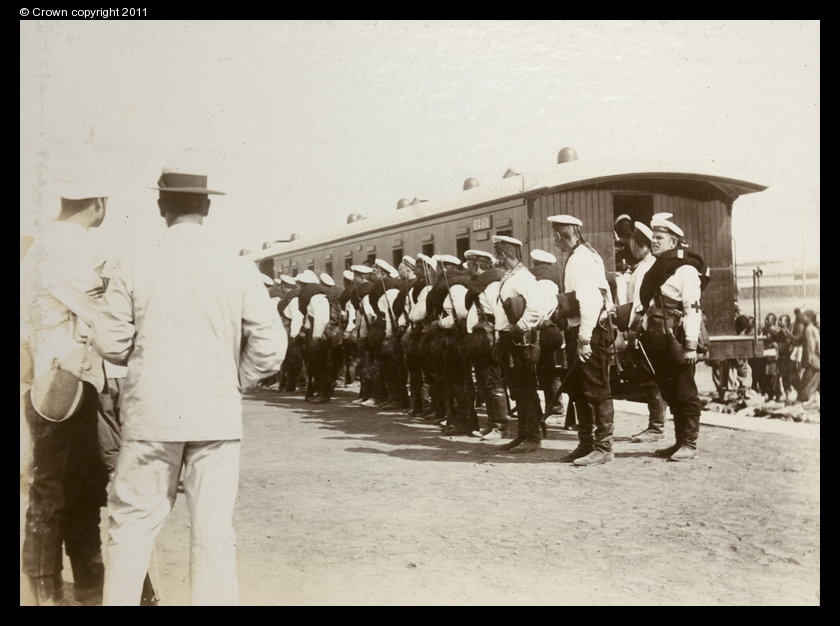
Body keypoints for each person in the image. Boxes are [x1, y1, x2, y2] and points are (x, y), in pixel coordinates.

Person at [93, 168, 286, 605]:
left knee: (132, 525)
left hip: (151, 415)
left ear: (161, 207)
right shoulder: (237, 267)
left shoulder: (134, 263)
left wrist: (143, 363)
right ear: (207, 207)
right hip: (216, 415)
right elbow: (271, 346)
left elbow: (109, 342)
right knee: (213, 532)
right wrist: (236, 380)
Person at [20, 180, 111, 605]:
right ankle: (53, 593)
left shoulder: (43, 243)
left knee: (72, 488)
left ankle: (73, 588)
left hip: (49, 375)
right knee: (59, 491)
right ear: (99, 203)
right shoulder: (68, 247)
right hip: (66, 379)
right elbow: (105, 314)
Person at [634, 216, 709, 461]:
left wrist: (690, 346)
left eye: (660, 238)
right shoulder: (660, 268)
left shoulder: (685, 270)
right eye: (653, 237)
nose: (654, 241)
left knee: (685, 391)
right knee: (670, 391)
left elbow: (693, 309)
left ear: (674, 242)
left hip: (677, 339)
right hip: (660, 340)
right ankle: (679, 442)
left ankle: (689, 443)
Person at [548, 215, 616, 466]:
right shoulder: (583, 254)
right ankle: (586, 444)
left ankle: (604, 448)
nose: (555, 242)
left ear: (559, 236)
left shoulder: (581, 259)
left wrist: (585, 339)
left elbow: (591, 301)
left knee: (596, 388)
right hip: (581, 330)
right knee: (578, 389)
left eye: (555, 237)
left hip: (589, 332)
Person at [493, 236, 556, 453]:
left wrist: (518, 328)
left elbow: (536, 309)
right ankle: (522, 434)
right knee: (517, 390)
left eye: (497, 255)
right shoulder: (511, 277)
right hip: (508, 339)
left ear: (504, 255)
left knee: (526, 388)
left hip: (519, 340)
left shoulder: (523, 278)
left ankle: (533, 437)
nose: (496, 260)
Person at [624, 222, 668, 443]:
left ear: (634, 244)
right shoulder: (654, 265)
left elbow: (638, 305)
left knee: (650, 377)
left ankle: (656, 427)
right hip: (656, 328)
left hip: (645, 329)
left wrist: (631, 332)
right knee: (656, 375)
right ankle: (658, 425)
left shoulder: (642, 270)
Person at [462, 249, 508, 440]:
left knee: (493, 382)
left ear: (477, 266)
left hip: (489, 339)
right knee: (484, 382)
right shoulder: (483, 284)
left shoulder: (491, 285)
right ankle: (491, 425)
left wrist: (497, 340)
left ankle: (500, 427)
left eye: (469, 266)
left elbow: (498, 314)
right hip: (481, 339)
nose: (467, 270)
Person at [295, 269, 334, 403]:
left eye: (301, 284)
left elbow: (320, 319)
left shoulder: (317, 297)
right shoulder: (311, 297)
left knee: (321, 364)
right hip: (313, 333)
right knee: (315, 364)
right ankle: (320, 392)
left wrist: (316, 337)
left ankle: (324, 394)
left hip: (319, 334)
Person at [796, 310, 820, 403]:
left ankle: (801, 400)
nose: (801, 317)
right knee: (815, 381)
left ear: (809, 318)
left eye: (804, 316)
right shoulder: (814, 328)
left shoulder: (808, 330)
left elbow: (811, 346)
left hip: (812, 360)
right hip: (816, 359)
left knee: (806, 381)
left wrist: (809, 360)